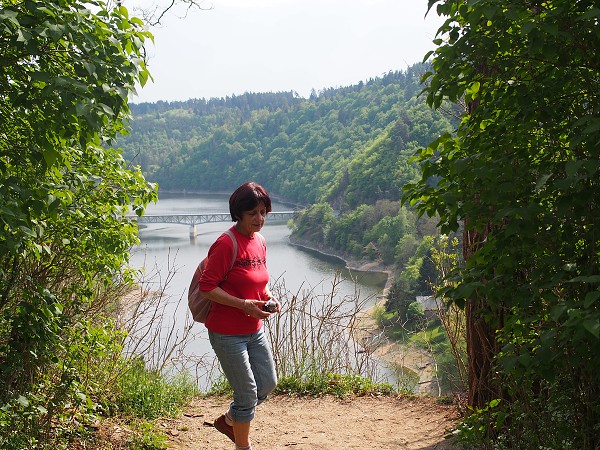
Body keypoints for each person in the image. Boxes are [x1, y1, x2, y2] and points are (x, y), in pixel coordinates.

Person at [198, 181, 280, 450]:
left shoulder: (261, 242)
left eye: (263, 212)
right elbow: (207, 287)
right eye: (252, 213)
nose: (259, 219)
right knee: (246, 393)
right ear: (239, 214)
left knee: (267, 384)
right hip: (226, 332)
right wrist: (243, 304)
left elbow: (259, 281)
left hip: (254, 328)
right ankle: (243, 446)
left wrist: (268, 297)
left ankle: (229, 420)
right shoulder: (226, 243)